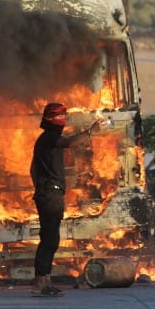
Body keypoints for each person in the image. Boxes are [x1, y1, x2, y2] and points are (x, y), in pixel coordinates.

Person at [30, 102, 102, 296]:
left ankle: (44, 281)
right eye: (63, 116)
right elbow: (69, 143)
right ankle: (40, 283)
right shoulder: (49, 138)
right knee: (50, 239)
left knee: (49, 238)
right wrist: (90, 132)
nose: (66, 120)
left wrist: (41, 188)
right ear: (56, 119)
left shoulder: (44, 139)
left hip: (49, 192)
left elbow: (33, 170)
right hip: (50, 194)